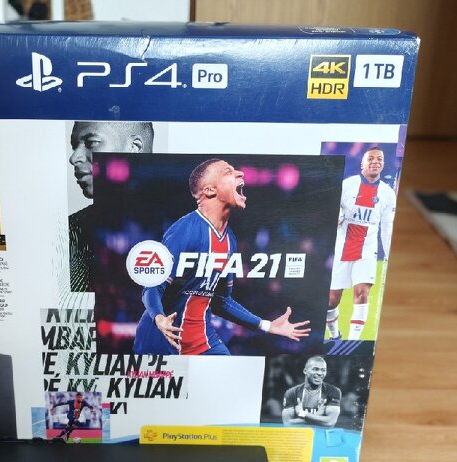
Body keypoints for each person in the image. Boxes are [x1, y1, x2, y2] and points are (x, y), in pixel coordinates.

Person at [134, 158, 310, 356]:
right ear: (210, 190)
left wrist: (267, 325)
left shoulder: (229, 240)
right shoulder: (185, 230)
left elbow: (221, 301)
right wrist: (159, 318)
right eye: (228, 172)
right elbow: (153, 286)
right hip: (163, 340)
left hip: (203, 342)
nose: (240, 173)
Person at [67, 121, 154, 292]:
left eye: (92, 143)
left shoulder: (190, 226)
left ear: (134, 148)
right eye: (74, 146)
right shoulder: (71, 230)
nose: (74, 158)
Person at [327, 147, 396, 341]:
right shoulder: (347, 185)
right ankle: (335, 336)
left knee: (362, 292)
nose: (375, 162)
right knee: (331, 300)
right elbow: (332, 212)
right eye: (371, 158)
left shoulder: (388, 193)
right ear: (362, 164)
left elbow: (387, 228)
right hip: (343, 246)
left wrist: (389, 256)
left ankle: (352, 342)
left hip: (367, 249)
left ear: (383, 164)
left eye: (379, 159)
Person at [282, 356, 341, 427]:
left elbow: (330, 422)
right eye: (315, 369)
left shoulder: (333, 391)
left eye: (323, 370)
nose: (320, 373)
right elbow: (287, 423)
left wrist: (302, 413)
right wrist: (317, 416)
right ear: (305, 371)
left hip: (321, 433)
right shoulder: (292, 392)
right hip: (299, 433)